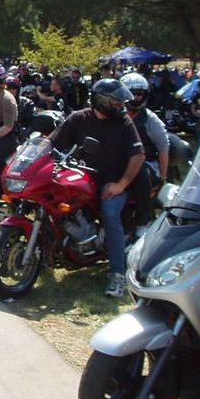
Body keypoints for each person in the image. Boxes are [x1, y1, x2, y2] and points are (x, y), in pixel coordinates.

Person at [49, 78, 145, 297]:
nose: (121, 106)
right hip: (81, 180)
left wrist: (121, 184)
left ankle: (118, 276)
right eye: (116, 102)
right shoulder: (78, 118)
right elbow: (52, 143)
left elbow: (138, 155)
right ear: (101, 101)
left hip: (111, 184)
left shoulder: (124, 123)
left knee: (110, 213)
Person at [120, 73, 169, 238]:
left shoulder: (150, 119)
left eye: (140, 94)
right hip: (118, 162)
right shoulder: (115, 115)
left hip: (147, 163)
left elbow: (163, 147)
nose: (136, 97)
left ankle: (143, 222)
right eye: (133, 93)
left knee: (139, 172)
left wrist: (163, 177)